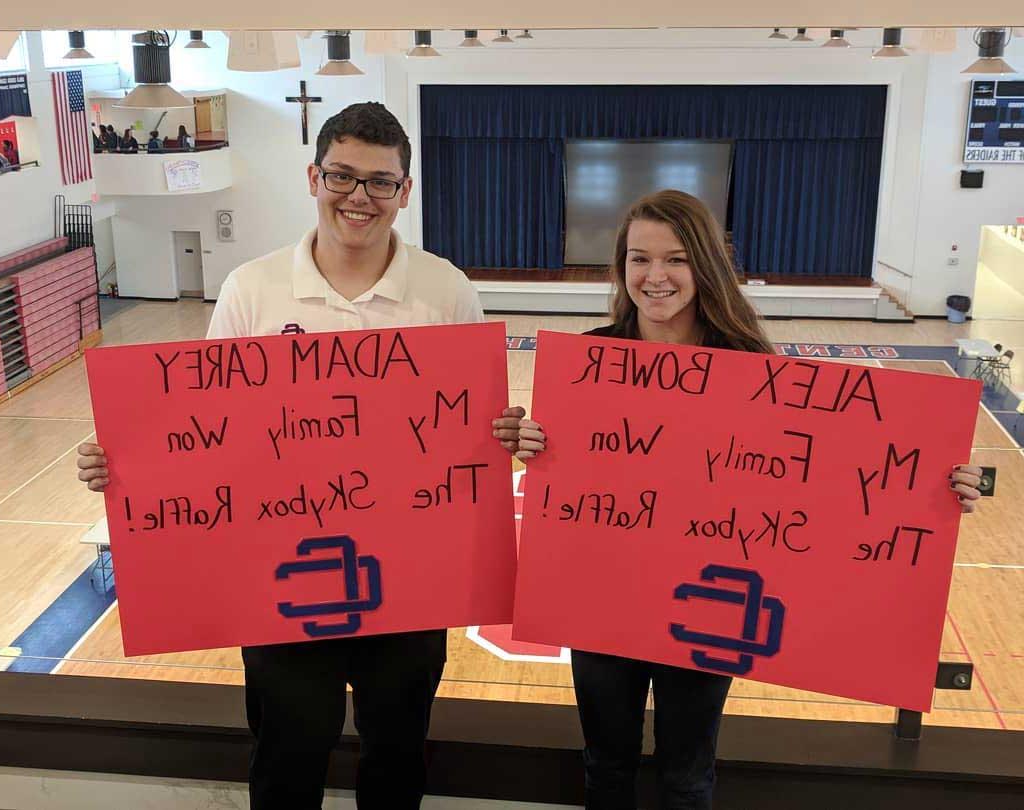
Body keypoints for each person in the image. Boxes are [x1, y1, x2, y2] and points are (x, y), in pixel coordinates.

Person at [76, 102, 523, 809]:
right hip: (280, 582)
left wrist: (501, 437)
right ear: (314, 177)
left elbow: (470, 431)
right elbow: (204, 429)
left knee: (398, 758)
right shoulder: (251, 290)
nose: (359, 197)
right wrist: (125, 462)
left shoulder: (446, 291)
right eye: (343, 176)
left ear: (404, 191)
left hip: (408, 582)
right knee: (288, 759)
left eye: (380, 182)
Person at [514, 189, 984, 810]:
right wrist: (529, 442)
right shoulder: (591, 358)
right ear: (621, 266)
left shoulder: (751, 368)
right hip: (605, 597)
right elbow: (564, 463)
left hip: (709, 605)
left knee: (686, 775)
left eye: (676, 259)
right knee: (606, 765)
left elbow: (836, 472)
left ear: (705, 265)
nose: (655, 277)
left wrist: (935, 481)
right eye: (639, 259)